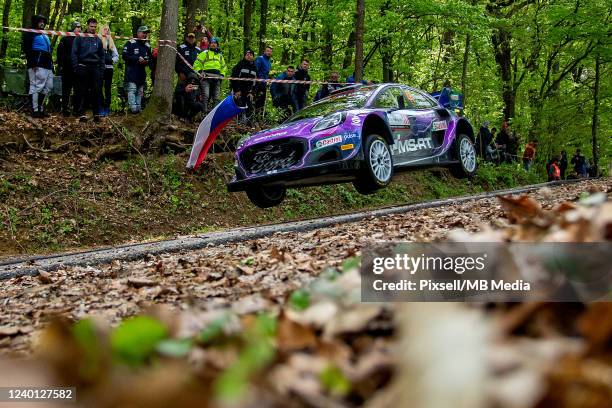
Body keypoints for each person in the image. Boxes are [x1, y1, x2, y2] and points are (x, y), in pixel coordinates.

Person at [72, 18, 104, 122]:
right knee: (82, 90)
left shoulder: (98, 39)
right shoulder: (80, 37)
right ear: (87, 26)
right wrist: (76, 66)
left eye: (95, 27)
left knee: (96, 90)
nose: (93, 28)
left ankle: (96, 114)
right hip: (82, 66)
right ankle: (81, 113)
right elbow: (74, 52)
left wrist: (101, 69)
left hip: (95, 67)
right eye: (91, 26)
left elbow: (102, 56)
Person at [26, 15, 54, 118]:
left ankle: (40, 108)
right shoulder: (30, 33)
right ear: (36, 22)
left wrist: (52, 65)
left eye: (43, 21)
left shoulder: (44, 34)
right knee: (37, 86)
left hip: (47, 64)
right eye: (40, 21)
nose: (42, 23)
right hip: (37, 64)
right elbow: (27, 48)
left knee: (48, 86)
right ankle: (35, 109)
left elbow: (49, 50)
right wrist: (32, 62)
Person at [122, 26, 152, 113]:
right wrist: (137, 58)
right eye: (143, 32)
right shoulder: (130, 43)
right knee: (132, 89)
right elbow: (124, 56)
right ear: (138, 33)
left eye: (146, 33)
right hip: (131, 72)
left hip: (141, 73)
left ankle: (138, 108)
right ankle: (133, 108)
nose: (145, 34)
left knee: (140, 91)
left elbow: (150, 60)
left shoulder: (147, 46)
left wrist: (146, 62)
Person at [193, 37, 227, 112]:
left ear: (217, 45)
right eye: (212, 43)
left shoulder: (220, 56)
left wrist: (222, 75)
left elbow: (224, 67)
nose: (213, 44)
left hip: (217, 79)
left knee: (217, 98)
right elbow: (196, 64)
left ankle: (214, 114)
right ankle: (204, 112)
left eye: (215, 43)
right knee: (206, 96)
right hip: (205, 78)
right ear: (209, 44)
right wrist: (200, 72)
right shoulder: (204, 53)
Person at [56, 21, 81, 116]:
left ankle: (76, 109)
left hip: (78, 68)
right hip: (67, 68)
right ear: (73, 27)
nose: (79, 28)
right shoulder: (65, 39)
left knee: (77, 89)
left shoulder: (81, 39)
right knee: (66, 89)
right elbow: (59, 53)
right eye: (77, 27)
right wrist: (61, 65)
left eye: (80, 27)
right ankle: (65, 109)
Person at [231, 49, 257, 123]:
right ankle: (238, 123)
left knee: (250, 107)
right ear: (245, 56)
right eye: (247, 55)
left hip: (248, 92)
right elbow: (233, 78)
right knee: (239, 106)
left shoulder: (254, 68)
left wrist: (252, 92)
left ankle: (248, 124)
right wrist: (236, 90)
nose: (249, 56)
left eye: (251, 55)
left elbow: (255, 82)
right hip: (239, 90)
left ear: (253, 57)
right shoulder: (239, 65)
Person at [99, 25, 118, 117]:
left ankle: (107, 107)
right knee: (98, 88)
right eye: (105, 29)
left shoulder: (111, 41)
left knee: (107, 89)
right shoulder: (98, 40)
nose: (106, 31)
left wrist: (112, 60)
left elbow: (116, 55)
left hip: (109, 68)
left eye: (108, 30)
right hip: (99, 68)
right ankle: (100, 106)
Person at [254, 46, 272, 114]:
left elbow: (266, 73)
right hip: (258, 83)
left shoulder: (269, 62)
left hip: (264, 84)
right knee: (257, 100)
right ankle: (254, 115)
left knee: (262, 101)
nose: (269, 52)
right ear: (264, 51)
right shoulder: (260, 58)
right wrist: (257, 81)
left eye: (270, 51)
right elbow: (256, 70)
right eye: (267, 51)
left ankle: (260, 116)